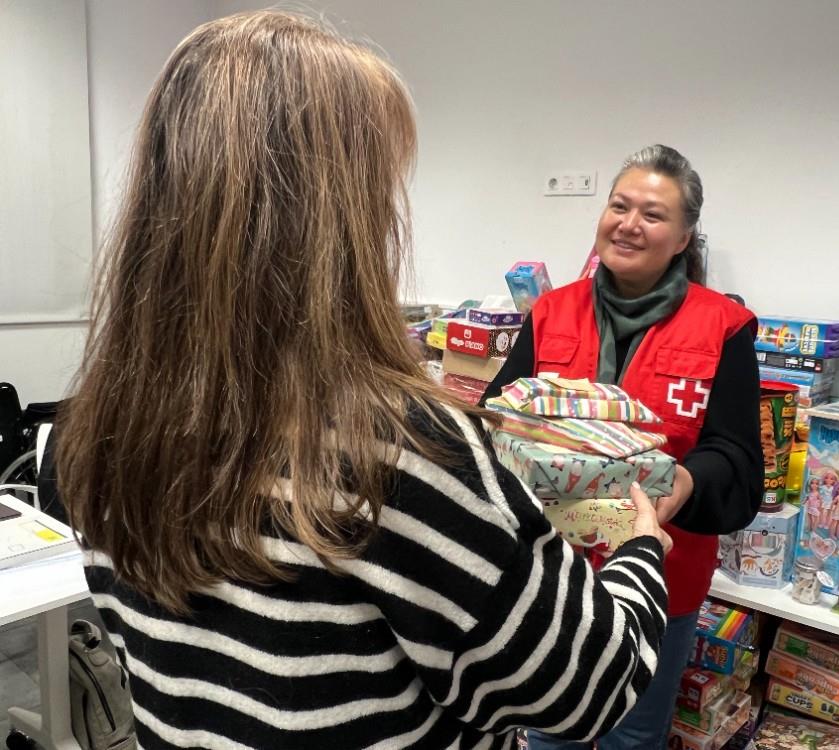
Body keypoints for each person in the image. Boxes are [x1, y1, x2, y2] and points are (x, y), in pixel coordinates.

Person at [48, 13, 675, 749]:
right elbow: (585, 691)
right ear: (337, 216)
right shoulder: (401, 450)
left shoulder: (93, 429)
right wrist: (642, 551)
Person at [484, 145, 764, 749]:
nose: (629, 224)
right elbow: (496, 417)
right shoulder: (550, 312)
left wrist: (685, 483)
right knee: (549, 726)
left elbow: (737, 456)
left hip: (661, 568)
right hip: (549, 570)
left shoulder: (723, 326)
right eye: (619, 206)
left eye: (652, 214)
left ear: (684, 237)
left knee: (632, 735)